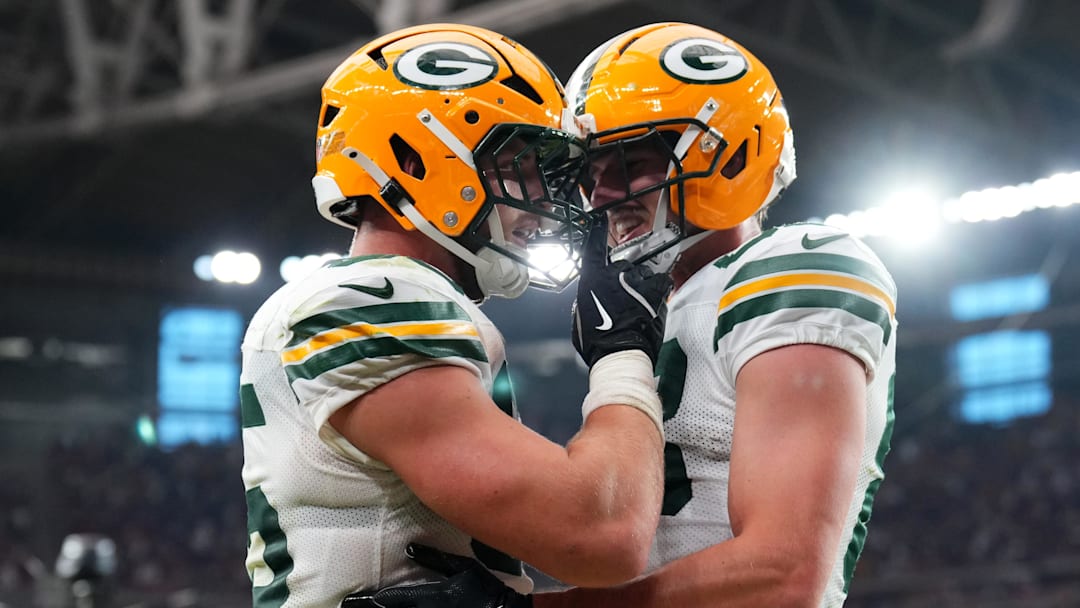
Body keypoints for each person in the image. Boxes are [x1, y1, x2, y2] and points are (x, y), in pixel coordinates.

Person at [356, 21, 898, 608]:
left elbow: (781, 574)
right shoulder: (649, 308)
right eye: (591, 174)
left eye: (631, 163)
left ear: (727, 151)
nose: (602, 196)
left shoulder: (791, 265)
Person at [239, 23, 675, 608]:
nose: (546, 202)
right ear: (421, 159)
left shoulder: (374, 296)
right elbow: (602, 535)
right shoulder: (375, 299)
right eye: (522, 164)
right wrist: (623, 354)